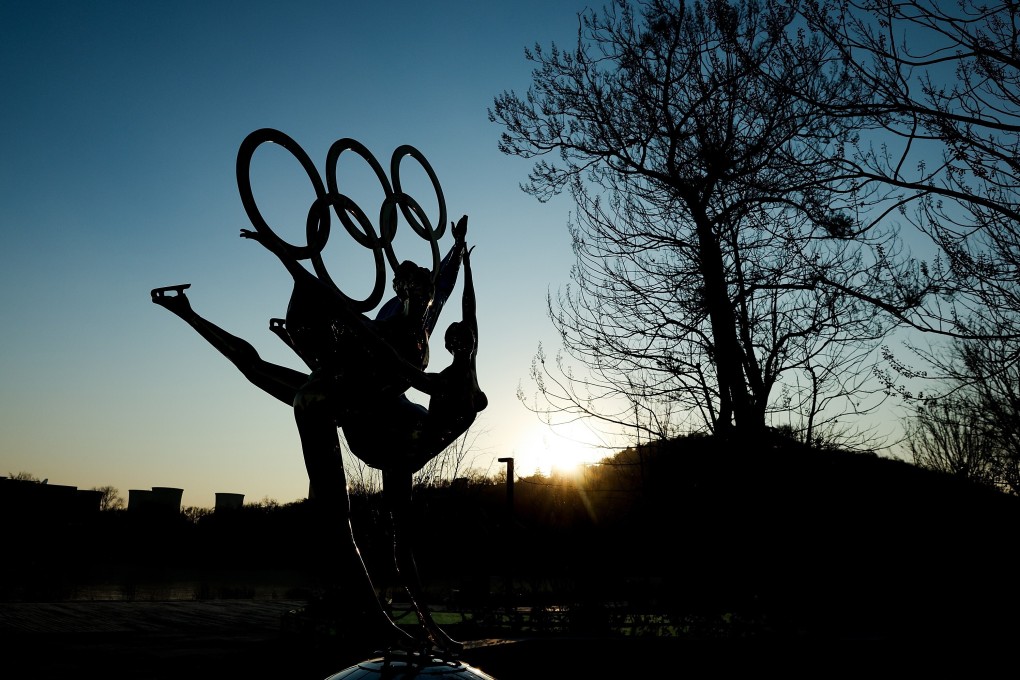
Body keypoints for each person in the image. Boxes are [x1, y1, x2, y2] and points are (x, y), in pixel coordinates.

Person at [150, 217, 476, 654]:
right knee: (264, 378)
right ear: (400, 290)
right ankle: (376, 619)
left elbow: (448, 284)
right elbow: (329, 302)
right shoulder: (384, 327)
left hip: (388, 421)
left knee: (402, 537)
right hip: (337, 406)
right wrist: (281, 251)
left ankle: (429, 629)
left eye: (426, 289)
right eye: (414, 288)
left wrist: (457, 248)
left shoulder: (427, 316)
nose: (424, 294)